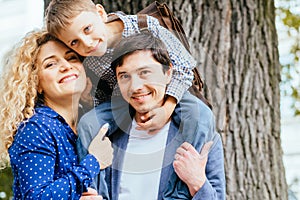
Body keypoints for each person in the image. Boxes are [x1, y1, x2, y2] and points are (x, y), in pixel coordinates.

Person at [44, 0, 210, 146]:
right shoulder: (89, 58)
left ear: (100, 13)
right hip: (124, 103)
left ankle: (195, 170)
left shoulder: (145, 26)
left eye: (87, 29)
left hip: (167, 92)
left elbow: (184, 68)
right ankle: (93, 180)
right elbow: (103, 94)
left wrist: (167, 108)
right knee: (89, 124)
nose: (87, 43)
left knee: (197, 115)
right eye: (74, 42)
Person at [100, 32, 225, 199]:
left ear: (168, 73)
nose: (135, 86)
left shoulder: (199, 134)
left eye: (145, 72)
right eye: (124, 76)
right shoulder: (110, 138)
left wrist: (197, 181)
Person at [0, 29, 107, 200]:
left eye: (71, 57)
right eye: (51, 64)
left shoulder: (88, 120)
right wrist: (93, 162)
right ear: (36, 83)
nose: (66, 66)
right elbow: (36, 197)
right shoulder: (35, 128)